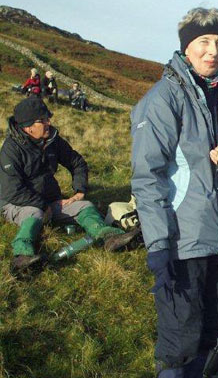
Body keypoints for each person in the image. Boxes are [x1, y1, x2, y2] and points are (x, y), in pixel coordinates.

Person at [131, 7, 218, 378]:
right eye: (204, 42)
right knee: (180, 323)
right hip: (182, 234)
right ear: (187, 45)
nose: (213, 50)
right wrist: (158, 244)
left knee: (214, 320)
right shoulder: (163, 99)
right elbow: (146, 178)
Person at [0, 96, 137, 276]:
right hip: (16, 203)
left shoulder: (52, 140)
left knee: (85, 206)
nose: (48, 122)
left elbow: (77, 162)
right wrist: (44, 205)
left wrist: (79, 190)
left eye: (48, 118)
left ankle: (109, 236)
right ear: (28, 127)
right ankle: (21, 257)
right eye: (42, 120)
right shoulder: (11, 149)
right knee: (34, 213)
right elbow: (12, 190)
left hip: (50, 201)